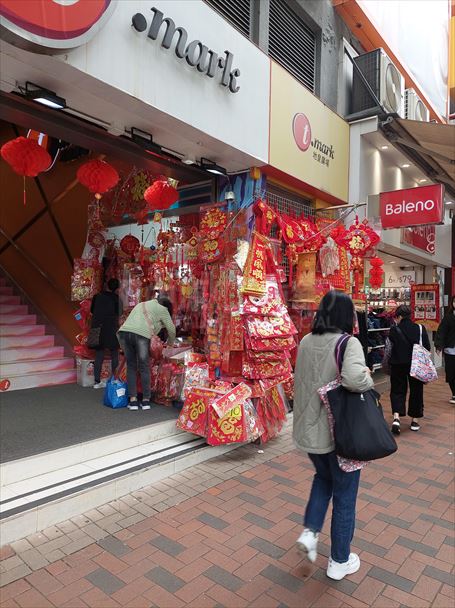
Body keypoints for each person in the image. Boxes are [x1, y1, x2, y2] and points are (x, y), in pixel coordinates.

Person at [293, 290, 373, 581]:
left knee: (323, 479)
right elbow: (354, 380)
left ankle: (310, 532)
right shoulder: (347, 343)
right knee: (345, 496)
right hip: (339, 436)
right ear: (345, 315)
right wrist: (366, 373)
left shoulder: (305, 341)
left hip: (309, 432)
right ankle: (339, 560)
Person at [118, 297, 176, 411]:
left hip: (125, 334)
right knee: (144, 367)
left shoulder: (141, 305)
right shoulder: (162, 310)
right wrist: (170, 344)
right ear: (167, 307)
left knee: (131, 367)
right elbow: (172, 329)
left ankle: (133, 400)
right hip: (141, 336)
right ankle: (145, 400)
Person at [389, 305, 430, 434]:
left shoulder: (394, 330)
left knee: (397, 390)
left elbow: (389, 348)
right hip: (416, 365)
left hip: (397, 364)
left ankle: (396, 417)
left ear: (399, 316)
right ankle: (415, 421)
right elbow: (427, 347)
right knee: (416, 390)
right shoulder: (420, 328)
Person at [90, 278, 122, 389]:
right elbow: (120, 313)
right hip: (111, 328)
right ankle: (115, 379)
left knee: (99, 354)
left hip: (97, 327)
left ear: (107, 285)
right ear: (117, 288)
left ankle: (96, 381)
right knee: (114, 354)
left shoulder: (97, 297)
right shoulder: (116, 299)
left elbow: (92, 311)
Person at [435, 295, 455, 404]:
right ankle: (454, 393)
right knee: (451, 374)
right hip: (450, 351)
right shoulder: (448, 317)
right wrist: (439, 346)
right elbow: (441, 332)